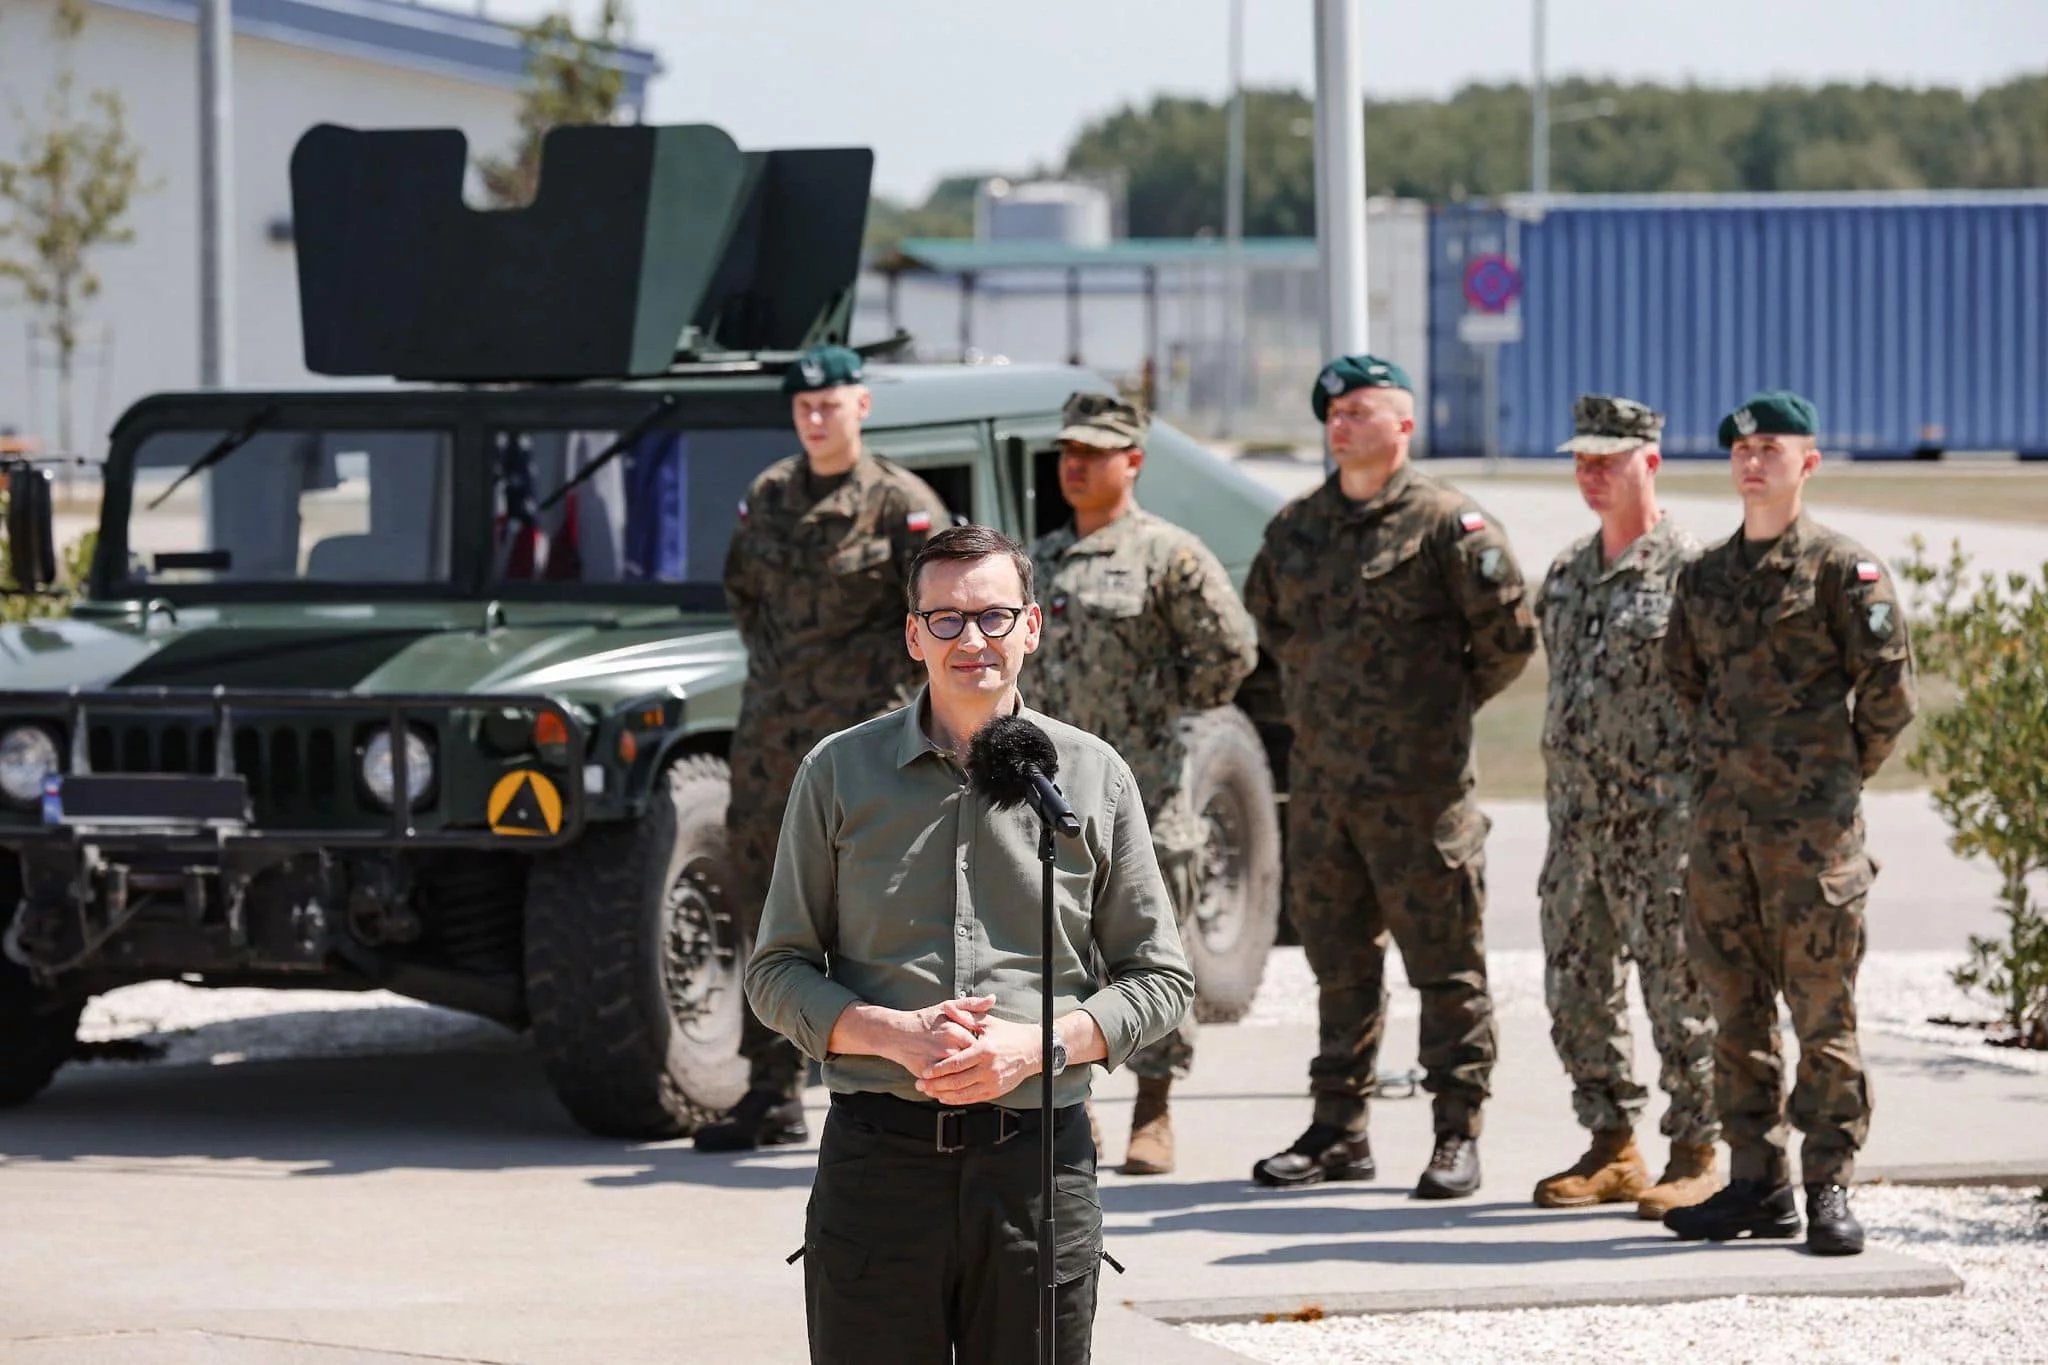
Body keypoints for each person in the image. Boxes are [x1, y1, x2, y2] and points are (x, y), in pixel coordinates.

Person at [746, 524, 1195, 1365]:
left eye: (993, 616)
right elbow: (776, 971)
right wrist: (890, 1033)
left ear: (1031, 626)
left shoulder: (1092, 776)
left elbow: (1159, 978)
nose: (972, 640)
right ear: (914, 635)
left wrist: (1038, 1048)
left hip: (1037, 1167)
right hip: (880, 1165)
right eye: (946, 619)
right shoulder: (838, 773)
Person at [1243, 354, 1535, 1199]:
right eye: (1334, 412)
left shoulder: (1450, 524)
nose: (1343, 423)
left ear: (1403, 424)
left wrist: (1433, 712)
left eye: (1363, 410)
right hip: (1326, 792)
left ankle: (1456, 1129)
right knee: (1339, 966)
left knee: (1446, 967)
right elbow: (1271, 622)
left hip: (1423, 793)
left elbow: (1509, 642)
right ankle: (1338, 1127)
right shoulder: (1297, 527)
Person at [1661, 390, 1916, 1256]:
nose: (1751, 459)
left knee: (1822, 1020)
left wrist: (1830, 780)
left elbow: (1889, 699)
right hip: (1723, 840)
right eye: (1740, 446)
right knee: (1733, 1017)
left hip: (1812, 844)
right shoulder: (1703, 577)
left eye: (1771, 446)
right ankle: (1753, 1183)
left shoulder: (1846, 572)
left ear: (1808, 461)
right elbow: (1687, 682)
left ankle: (1830, 1184)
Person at [699, 344, 953, 1152]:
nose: (816, 416)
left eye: (830, 403)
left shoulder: (901, 506)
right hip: (772, 741)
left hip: (867, 747)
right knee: (769, 908)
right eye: (804, 406)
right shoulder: (768, 496)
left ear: (861, 406)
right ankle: (771, 1088)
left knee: (883, 908)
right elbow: (743, 593)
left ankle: (917, 1080)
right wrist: (786, 679)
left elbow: (939, 616)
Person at [1027, 391, 1259, 1176]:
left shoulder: (1170, 555)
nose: (1076, 465)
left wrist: (1162, 712)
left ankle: (1154, 1109)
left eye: (1094, 452)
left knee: (1148, 953)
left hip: (1144, 792)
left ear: (1133, 461)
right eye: (1068, 451)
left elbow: (1231, 654)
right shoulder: (1040, 560)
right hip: (1050, 795)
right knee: (1056, 953)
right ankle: (1073, 1105)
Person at [1530, 395, 1722, 1221]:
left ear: (1651, 460)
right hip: (1576, 827)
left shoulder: (1692, 572)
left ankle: (1699, 1149)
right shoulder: (1568, 573)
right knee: (1577, 991)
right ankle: (1612, 1145)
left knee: (1680, 992)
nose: (1591, 472)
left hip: (1662, 826)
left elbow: (1720, 696)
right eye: (1582, 459)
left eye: (1608, 459)